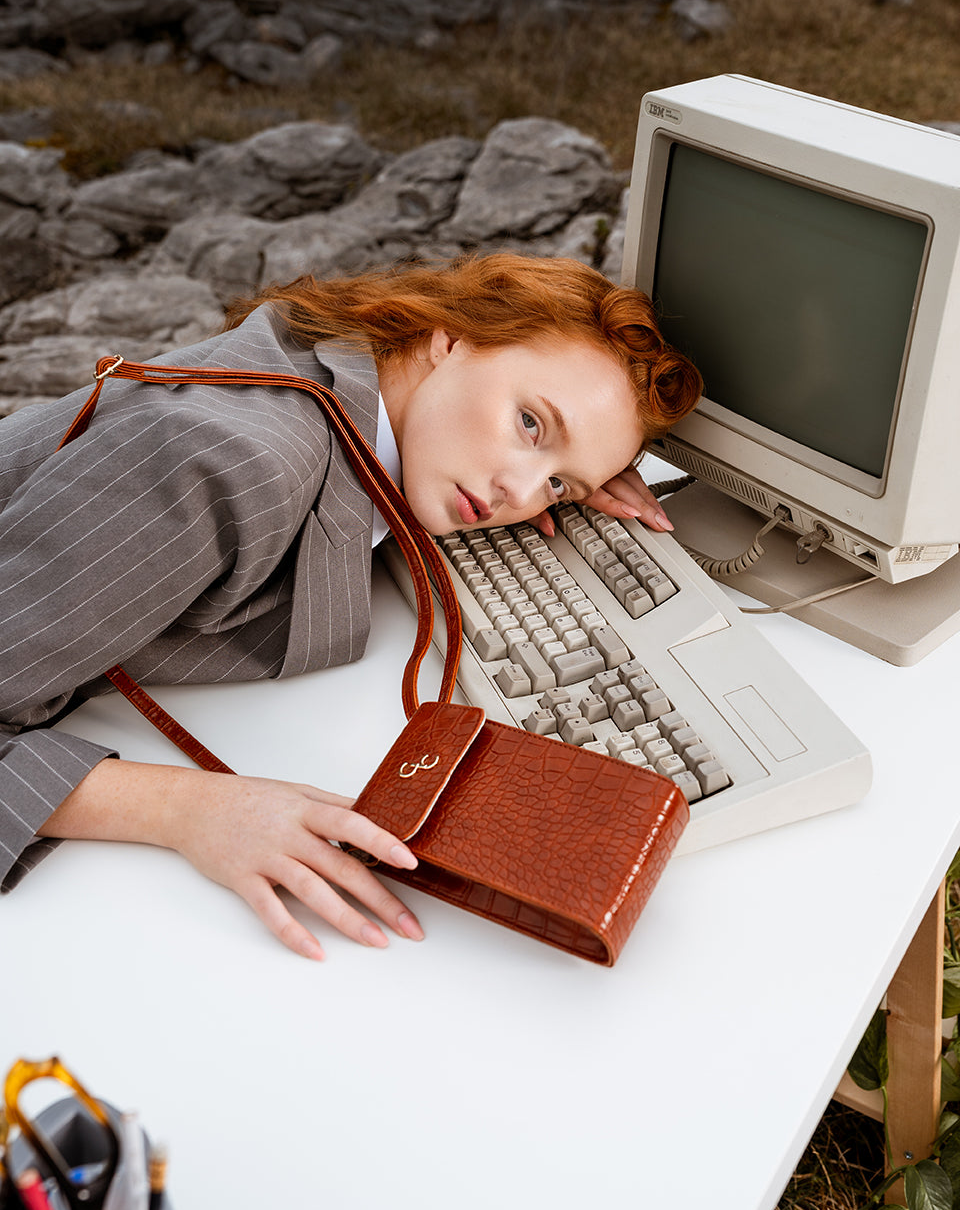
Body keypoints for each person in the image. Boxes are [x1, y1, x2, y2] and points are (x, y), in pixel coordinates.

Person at [0, 252, 702, 960]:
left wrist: (586, 466)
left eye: (557, 487)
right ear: (450, 337)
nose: (518, 493)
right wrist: (193, 810)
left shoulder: (353, 381)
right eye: (529, 423)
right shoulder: (236, 462)